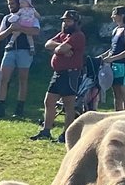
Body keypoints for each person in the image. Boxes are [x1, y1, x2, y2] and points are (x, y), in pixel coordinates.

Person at [30, 10, 89, 141]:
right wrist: (60, 47)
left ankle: (66, 134)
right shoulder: (62, 35)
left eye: (68, 21)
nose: (66, 23)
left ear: (76, 22)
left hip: (71, 73)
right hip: (58, 73)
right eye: (64, 21)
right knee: (49, 101)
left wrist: (59, 49)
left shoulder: (78, 36)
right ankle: (46, 131)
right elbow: (48, 44)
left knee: (69, 105)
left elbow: (60, 49)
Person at [0, 0, 41, 118]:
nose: (10, 6)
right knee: (3, 78)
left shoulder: (30, 16)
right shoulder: (7, 18)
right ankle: (1, 106)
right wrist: (10, 29)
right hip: (9, 50)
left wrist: (20, 28)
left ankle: (20, 107)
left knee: (23, 79)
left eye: (13, 3)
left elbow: (36, 31)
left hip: (25, 50)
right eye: (9, 4)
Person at [101, 4, 125, 111]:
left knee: (124, 93)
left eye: (114, 14)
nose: (112, 16)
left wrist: (113, 58)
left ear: (122, 15)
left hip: (122, 65)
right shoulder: (116, 30)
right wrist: (103, 57)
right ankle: (117, 115)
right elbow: (113, 48)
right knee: (116, 94)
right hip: (113, 66)